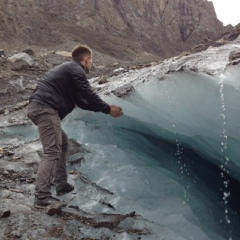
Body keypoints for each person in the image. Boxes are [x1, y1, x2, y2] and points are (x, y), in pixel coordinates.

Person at [28, 44, 123, 209]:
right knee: (52, 151)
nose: (91, 64)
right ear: (86, 59)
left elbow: (82, 102)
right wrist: (108, 109)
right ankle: (41, 197)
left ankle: (61, 184)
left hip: (43, 109)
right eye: (91, 61)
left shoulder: (70, 72)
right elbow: (88, 93)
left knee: (63, 144)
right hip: (45, 108)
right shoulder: (75, 69)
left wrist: (106, 111)